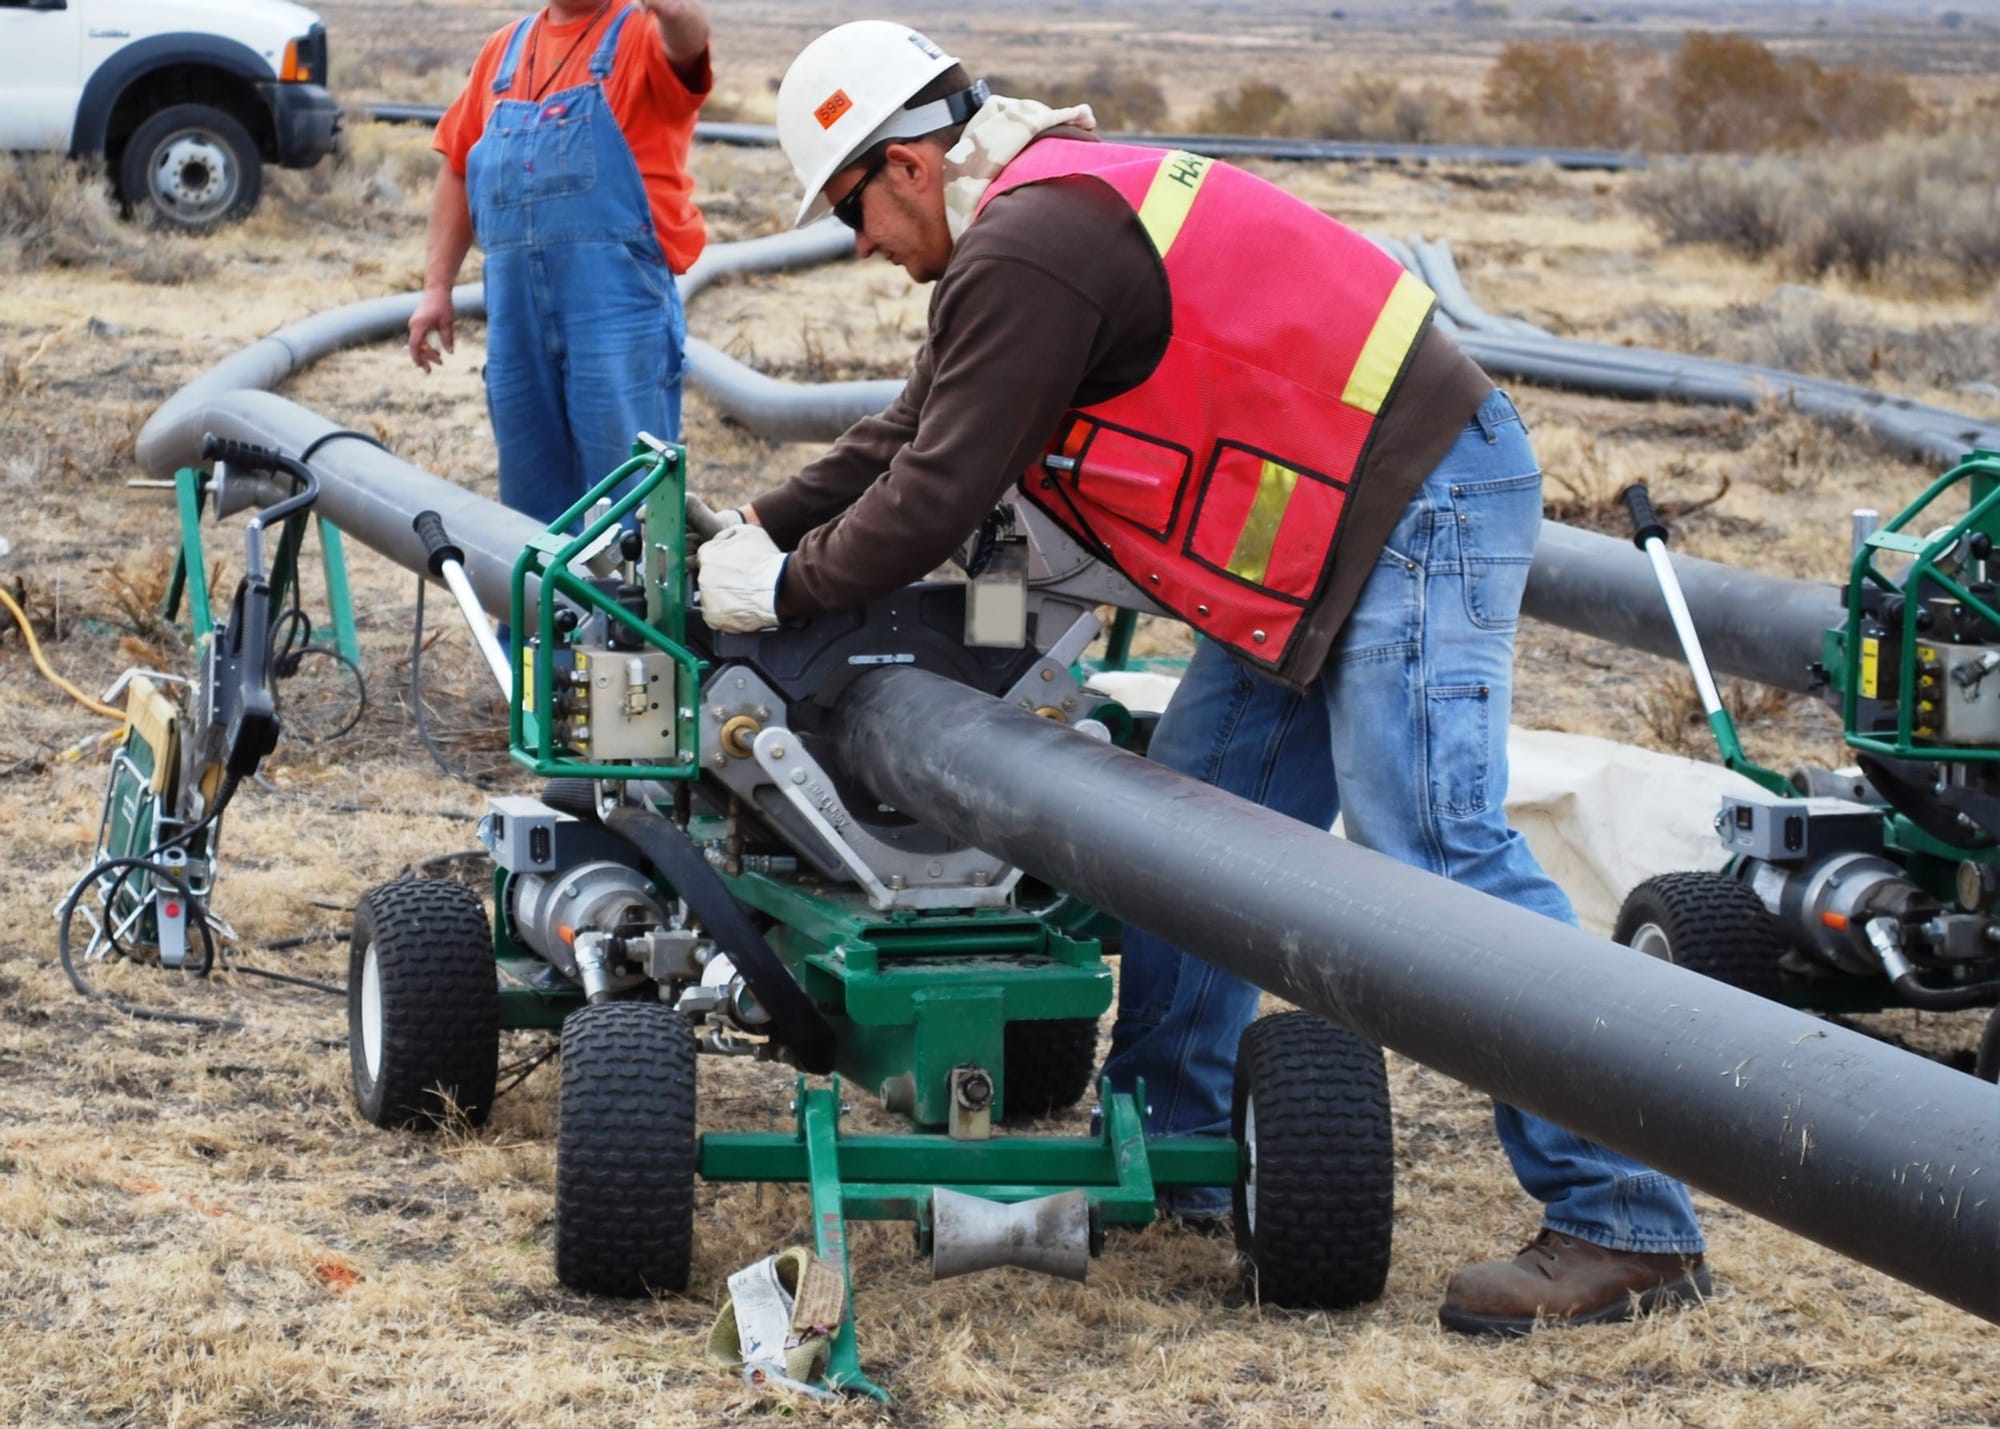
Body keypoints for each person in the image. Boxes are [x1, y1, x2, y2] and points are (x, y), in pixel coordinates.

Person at [695, 20, 1713, 1336]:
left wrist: (792, 588)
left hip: (1413, 499)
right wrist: (762, 528)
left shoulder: (1028, 242)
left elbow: (943, 489)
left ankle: (1624, 1218)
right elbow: (912, 424)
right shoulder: (1035, 213)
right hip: (1313, 538)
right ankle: (1178, 1146)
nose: (862, 247)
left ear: (904, 164)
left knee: (1436, 844)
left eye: (851, 210)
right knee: (1181, 831)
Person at [409, 0, 710, 530]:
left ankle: (632, 616)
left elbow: (687, 44)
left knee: (631, 496)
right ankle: (537, 615)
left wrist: (679, 11)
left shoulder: (641, 34)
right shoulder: (502, 52)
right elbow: (458, 169)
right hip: (514, 319)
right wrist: (437, 285)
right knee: (530, 507)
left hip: (616, 308)